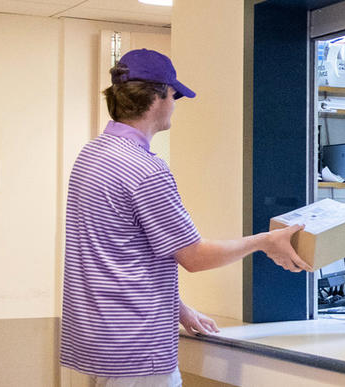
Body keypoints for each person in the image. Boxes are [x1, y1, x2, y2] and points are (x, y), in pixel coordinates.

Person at [61, 49, 312, 387]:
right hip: (139, 349)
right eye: (174, 95)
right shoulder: (146, 171)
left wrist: (177, 308)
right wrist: (265, 241)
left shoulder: (91, 156)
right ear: (157, 97)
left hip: (99, 343)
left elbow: (121, 253)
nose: (176, 104)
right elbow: (194, 257)